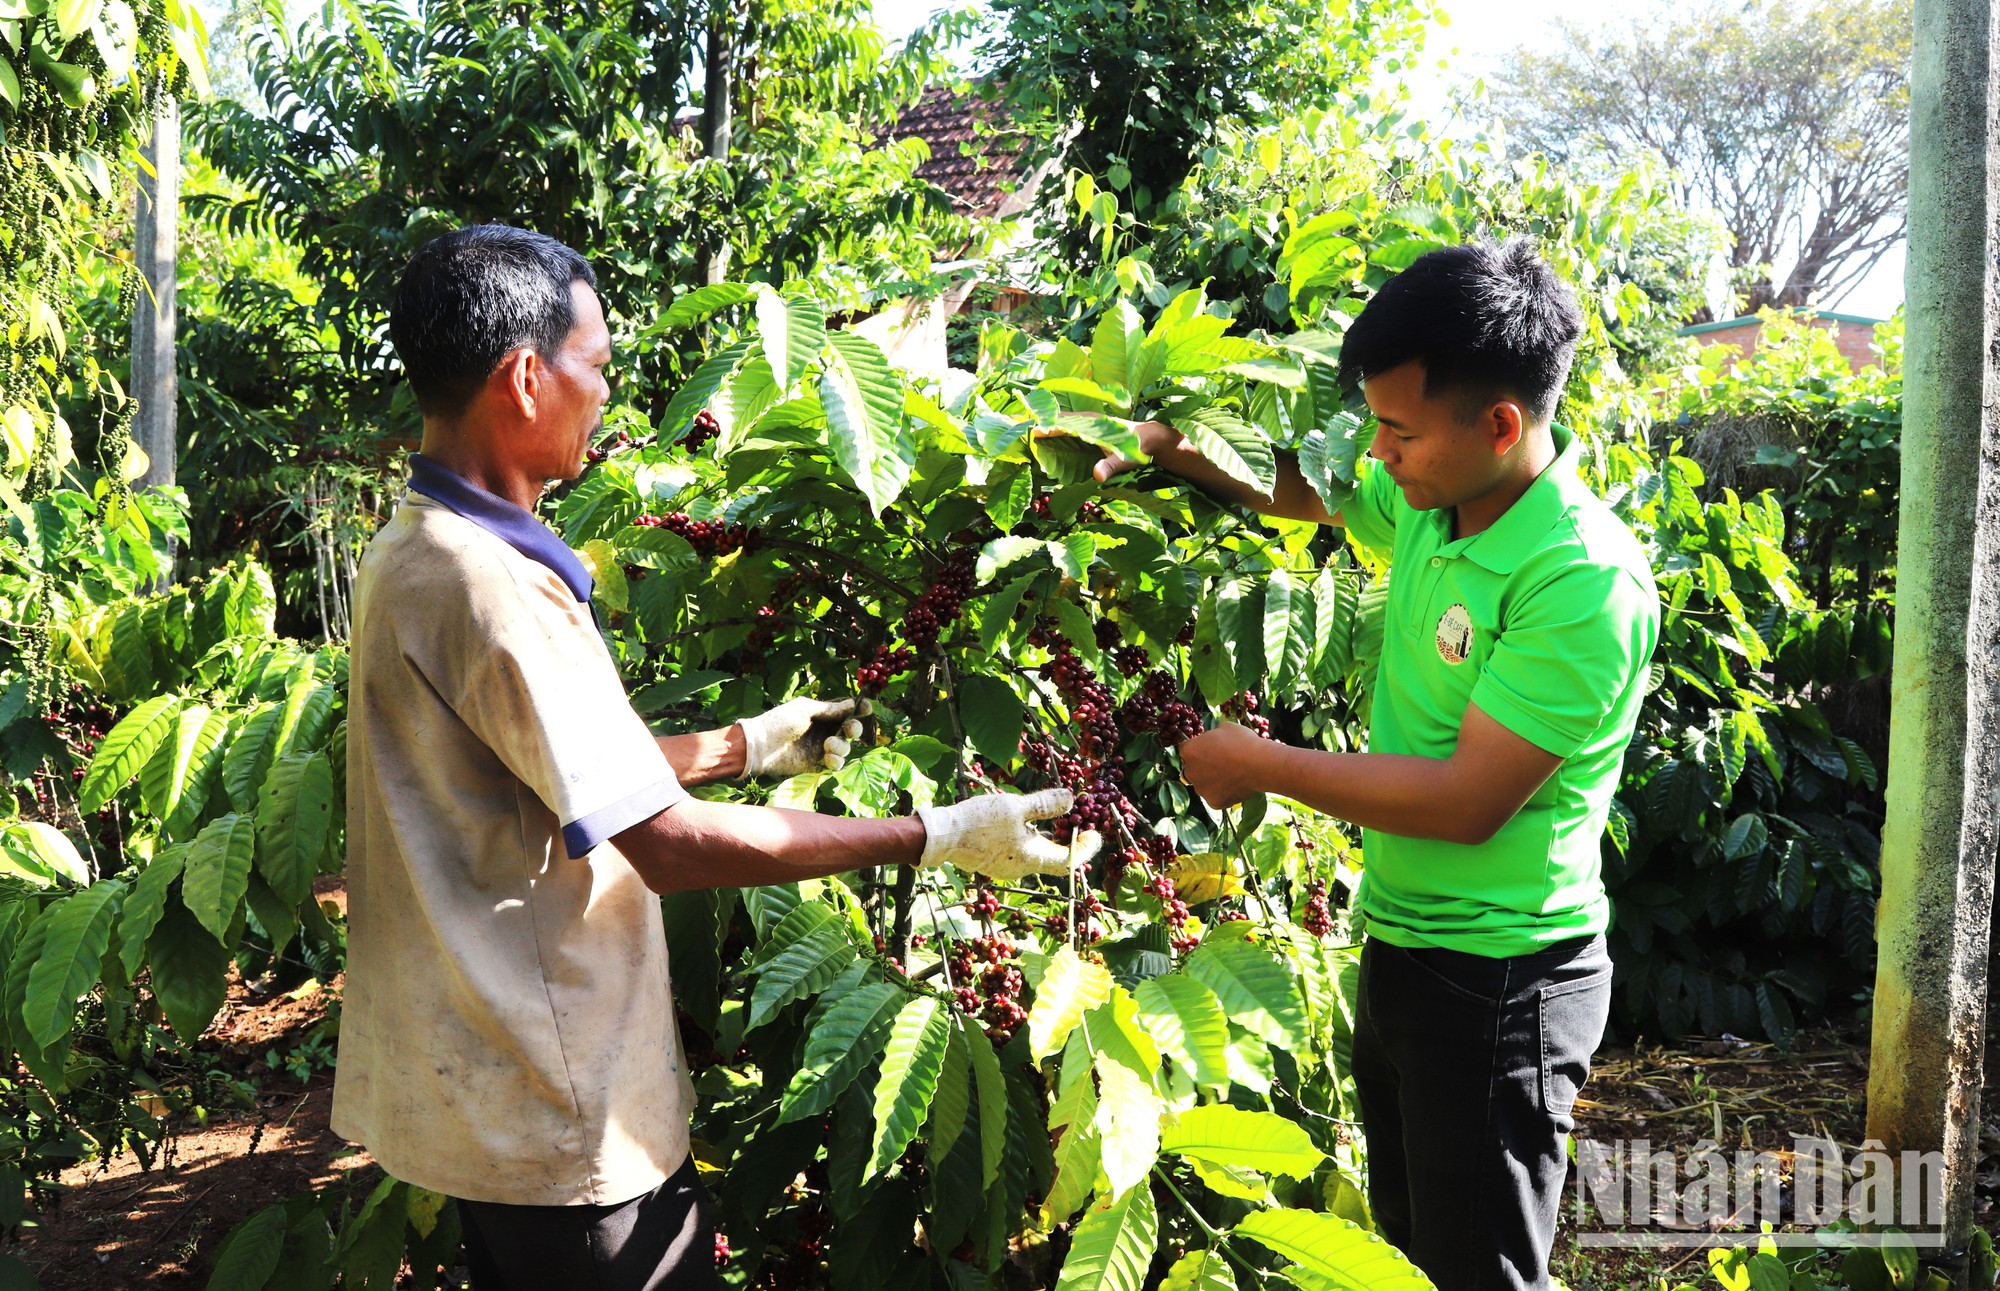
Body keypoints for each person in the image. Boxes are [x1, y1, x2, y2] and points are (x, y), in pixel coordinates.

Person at [331, 224, 1099, 1291]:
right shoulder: (494, 587)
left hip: (489, 1093)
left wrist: (743, 744)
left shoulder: (411, 549)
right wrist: (933, 836)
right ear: (521, 377)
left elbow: (540, 774)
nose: (604, 394)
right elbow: (671, 848)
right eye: (593, 366)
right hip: (563, 1121)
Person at [1093, 240, 1659, 1291]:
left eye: (1397, 430)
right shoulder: (1432, 495)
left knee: (1478, 1273)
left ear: (1498, 425)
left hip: (1501, 984)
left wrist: (1258, 764)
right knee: (1406, 1254)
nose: (1380, 454)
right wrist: (1164, 445)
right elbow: (1306, 493)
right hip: (1404, 945)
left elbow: (1464, 802)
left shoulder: (1578, 579)